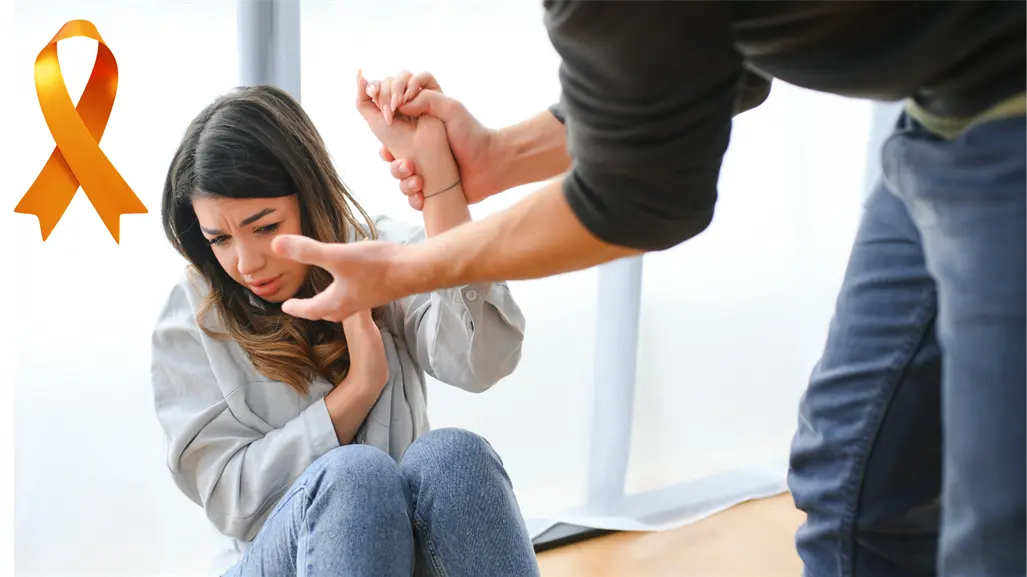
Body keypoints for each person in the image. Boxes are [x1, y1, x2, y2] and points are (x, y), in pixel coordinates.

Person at [268, 2, 1026, 577]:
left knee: (994, 532)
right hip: (945, 109)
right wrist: (492, 157)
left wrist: (399, 271)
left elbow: (638, 200)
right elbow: (700, 59)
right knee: (850, 487)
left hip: (1001, 103)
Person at [149, 78, 541, 577]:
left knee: (453, 456)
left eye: (266, 226)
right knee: (355, 476)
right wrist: (359, 388)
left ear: (310, 197)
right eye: (219, 238)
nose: (246, 262)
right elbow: (232, 500)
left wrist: (439, 179)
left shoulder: (375, 252)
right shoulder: (191, 316)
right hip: (271, 563)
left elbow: (483, 361)